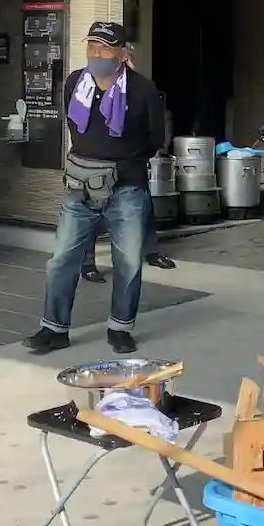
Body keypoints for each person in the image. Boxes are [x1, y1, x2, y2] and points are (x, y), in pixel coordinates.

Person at [25, 21, 164, 356]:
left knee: (128, 262)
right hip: (80, 185)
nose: (97, 54)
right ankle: (54, 329)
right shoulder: (75, 82)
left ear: (122, 53)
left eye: (105, 48)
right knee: (62, 258)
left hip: (127, 188)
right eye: (92, 46)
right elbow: (74, 126)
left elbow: (155, 138)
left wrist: (123, 161)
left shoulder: (143, 90)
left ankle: (120, 328)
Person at [82, 44, 174, 281]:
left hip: (131, 163)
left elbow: (154, 130)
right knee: (91, 211)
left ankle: (151, 251)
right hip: (96, 164)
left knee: (143, 208)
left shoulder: (139, 88)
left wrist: (143, 153)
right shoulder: (89, 83)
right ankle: (87, 263)